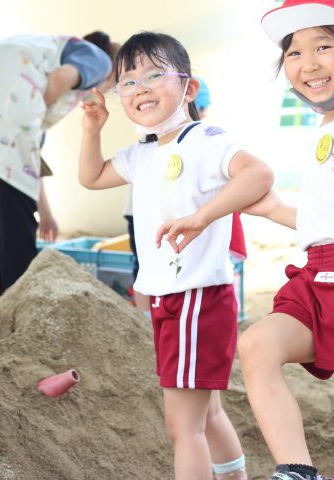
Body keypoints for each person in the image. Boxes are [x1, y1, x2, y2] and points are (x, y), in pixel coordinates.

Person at [78, 31, 274, 479]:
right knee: (206, 415)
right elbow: (91, 177)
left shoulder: (204, 138)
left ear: (189, 88)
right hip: (176, 299)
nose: (140, 87)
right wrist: (92, 130)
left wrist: (203, 216)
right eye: (127, 81)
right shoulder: (144, 153)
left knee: (181, 426)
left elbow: (258, 174)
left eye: (154, 74)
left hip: (196, 298)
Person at [237, 1, 334, 479]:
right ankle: (298, 471)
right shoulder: (330, 124)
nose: (308, 64)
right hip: (321, 271)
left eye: (323, 45)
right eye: (294, 52)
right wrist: (273, 209)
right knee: (257, 345)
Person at [0, 31, 119, 304]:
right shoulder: (100, 62)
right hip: (3, 108)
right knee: (15, 226)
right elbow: (61, 79)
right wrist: (34, 109)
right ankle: (17, 304)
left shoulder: (41, 60)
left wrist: (46, 214)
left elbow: (26, 167)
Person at [124, 75, 216, 314]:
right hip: (143, 214)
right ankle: (146, 317)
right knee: (145, 262)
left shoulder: (204, 141)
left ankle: (153, 314)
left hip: (185, 218)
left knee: (176, 260)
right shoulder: (147, 145)